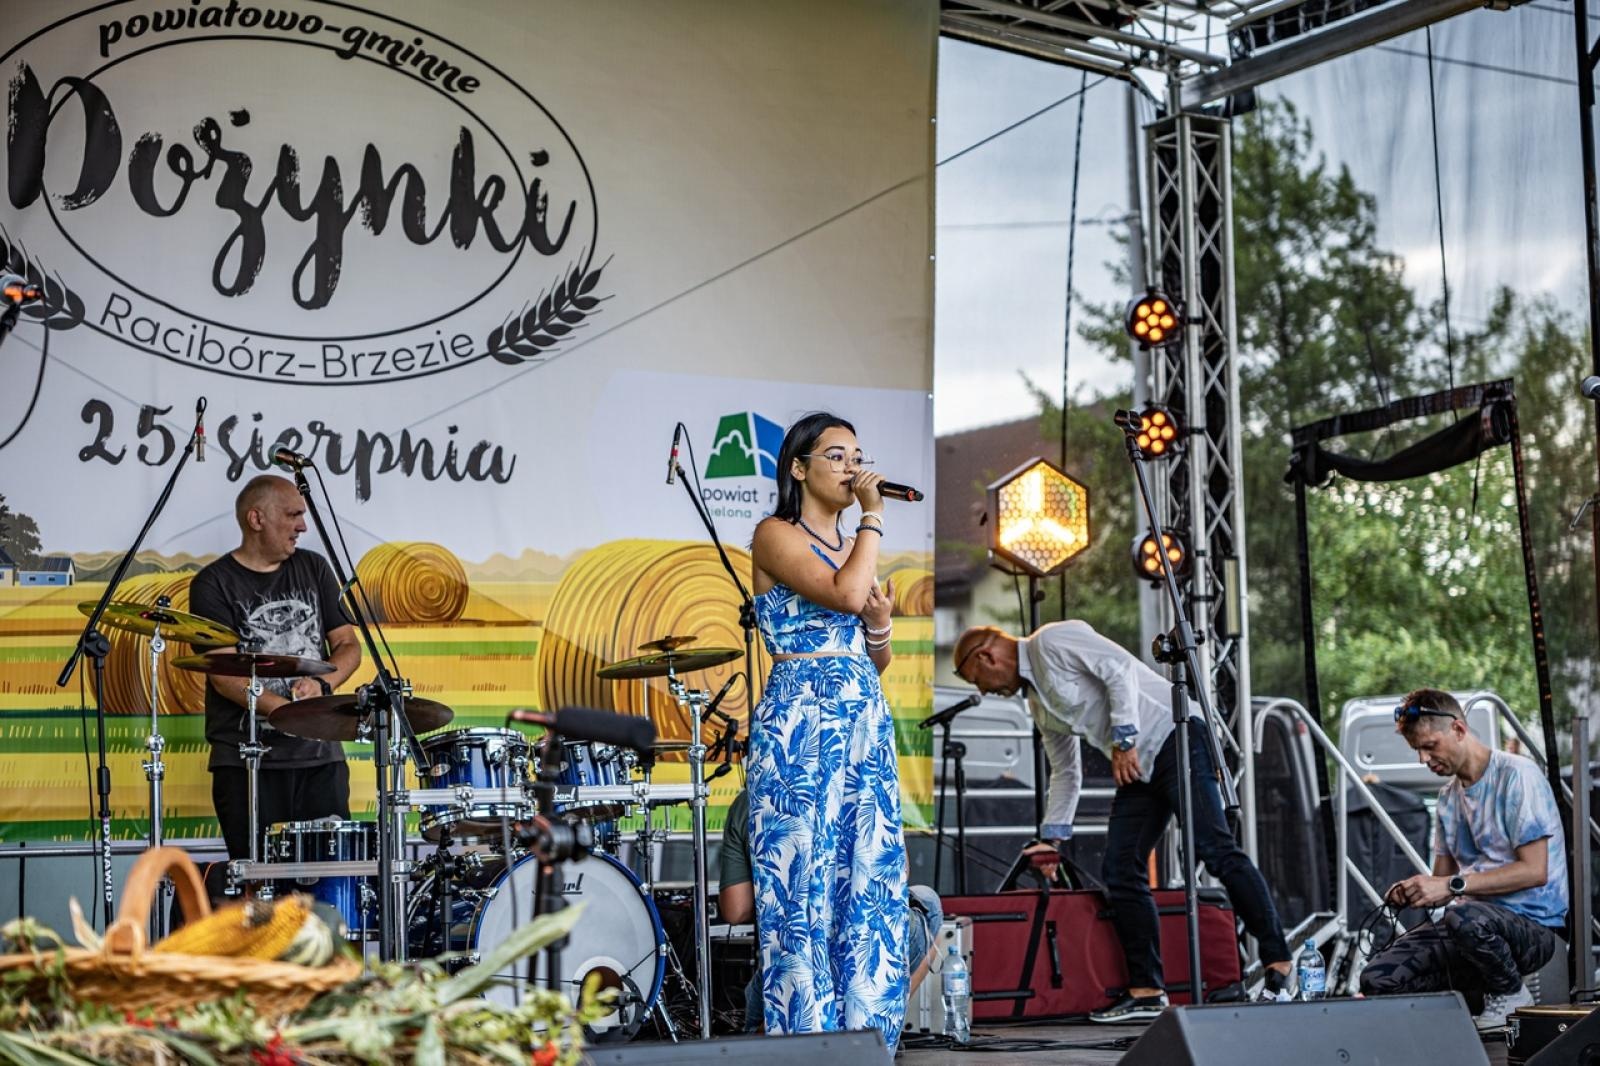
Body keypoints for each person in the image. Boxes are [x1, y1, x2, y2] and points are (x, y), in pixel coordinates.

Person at [953, 620, 1293, 1021]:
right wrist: (1052, 839)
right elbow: (1066, 771)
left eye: (976, 680)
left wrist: (1124, 739)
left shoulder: (1051, 641)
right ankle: (1147, 991)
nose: (983, 691)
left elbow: (1119, 669)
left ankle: (1279, 960)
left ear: (986, 657)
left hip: (1175, 737)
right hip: (1136, 764)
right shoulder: (1037, 703)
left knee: (1213, 848)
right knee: (1120, 869)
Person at [745, 411, 909, 1050]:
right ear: (798, 467)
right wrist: (874, 516)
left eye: (857, 457)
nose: (851, 467)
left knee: (864, 879)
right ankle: (806, 1043)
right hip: (801, 724)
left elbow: (868, 655)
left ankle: (865, 1040)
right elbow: (842, 596)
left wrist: (882, 625)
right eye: (837, 456)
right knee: (802, 886)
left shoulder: (854, 547)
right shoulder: (774, 534)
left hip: (861, 721)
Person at [1359, 688, 1566, 1030]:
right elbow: (1442, 883)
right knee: (1377, 978)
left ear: (1458, 729)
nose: (1423, 759)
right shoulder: (1447, 798)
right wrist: (1414, 890)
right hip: (1470, 929)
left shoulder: (1517, 774)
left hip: (1535, 930)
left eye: (1429, 746)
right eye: (1417, 750)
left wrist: (1451, 886)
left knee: (1465, 918)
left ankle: (1511, 994)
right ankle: (1463, 1019)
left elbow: (1535, 871)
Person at [189, 474, 361, 860]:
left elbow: (348, 645)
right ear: (257, 519)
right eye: (292, 515)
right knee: (260, 880)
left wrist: (322, 685)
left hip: (320, 759)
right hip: (247, 762)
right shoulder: (212, 583)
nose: (303, 526)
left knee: (329, 877)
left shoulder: (315, 568)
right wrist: (289, 714)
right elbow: (224, 676)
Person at [720, 788, 942, 1034]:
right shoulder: (866, 783)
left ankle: (780, 1025)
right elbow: (897, 874)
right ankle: (873, 1026)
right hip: (857, 966)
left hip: (781, 978)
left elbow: (736, 910)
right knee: (928, 903)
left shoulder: (750, 799)